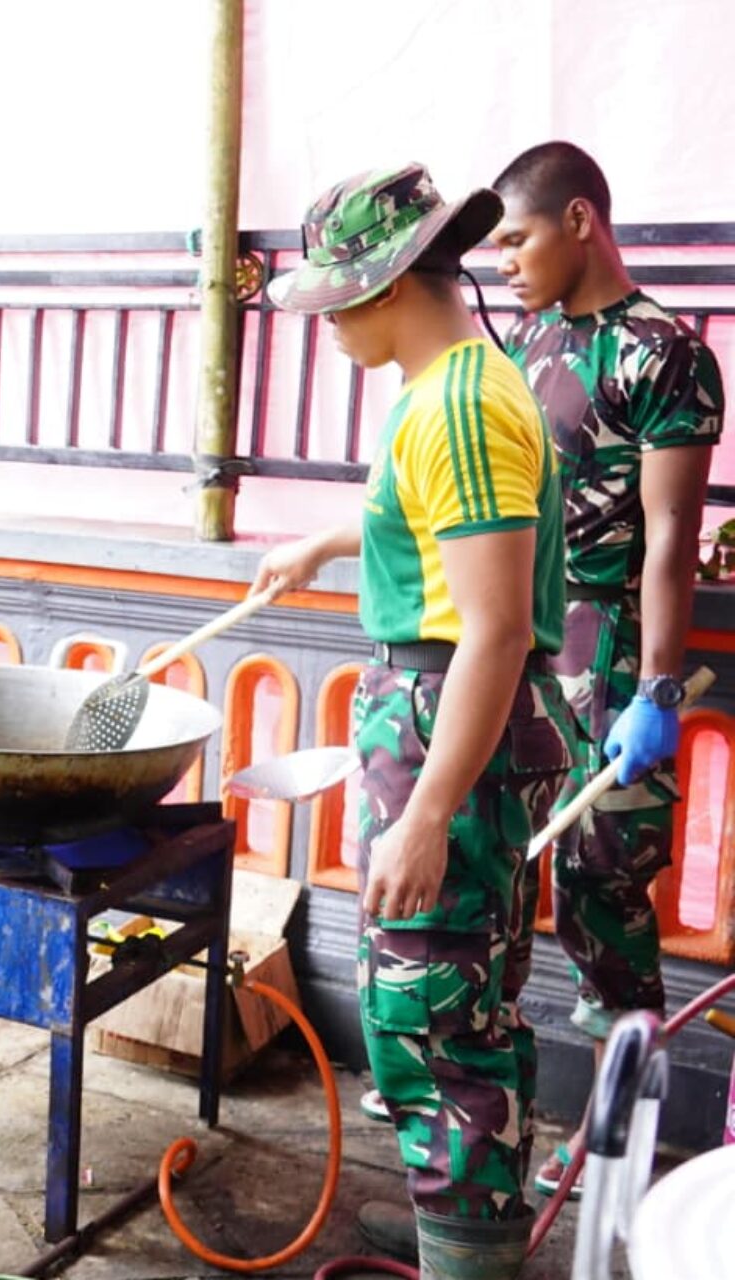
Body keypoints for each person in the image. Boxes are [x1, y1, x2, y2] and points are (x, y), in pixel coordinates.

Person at [252, 163, 573, 1280]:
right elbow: (426, 521)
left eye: (336, 298)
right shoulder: (447, 382)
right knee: (457, 1001)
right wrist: (328, 544)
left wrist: (427, 809)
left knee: (432, 1020)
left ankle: (467, 1252)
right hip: (436, 708)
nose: (328, 322)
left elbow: (490, 629)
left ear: (387, 283)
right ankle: (463, 1224)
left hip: (452, 719)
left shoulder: (461, 406)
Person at [488, 140, 722, 1199]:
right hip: (519, 648)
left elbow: (671, 532)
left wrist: (657, 689)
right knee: (496, 876)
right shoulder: (526, 338)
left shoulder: (663, 353)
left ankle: (607, 1148)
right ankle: (481, 1112)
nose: (502, 260)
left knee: (603, 903)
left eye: (516, 236)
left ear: (579, 219)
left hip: (615, 656)